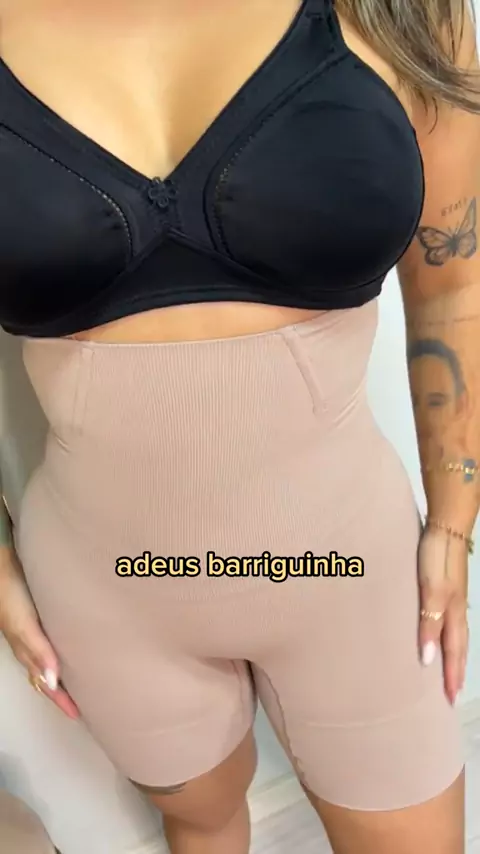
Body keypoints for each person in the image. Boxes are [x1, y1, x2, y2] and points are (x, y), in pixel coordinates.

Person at [0, 1, 478, 852]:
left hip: (353, 578)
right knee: (202, 824)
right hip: (108, 591)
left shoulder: (405, 11)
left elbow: (455, 285)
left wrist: (453, 519)